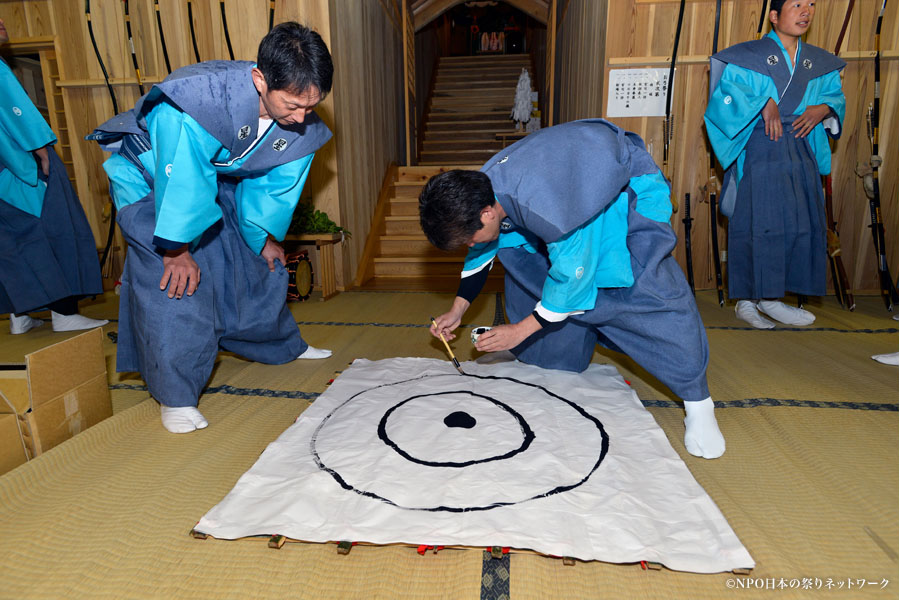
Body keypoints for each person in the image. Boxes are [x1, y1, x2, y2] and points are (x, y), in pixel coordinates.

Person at [421, 119, 726, 459]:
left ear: (488, 213)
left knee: (639, 289)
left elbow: (572, 277)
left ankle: (698, 401)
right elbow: (483, 249)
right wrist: (458, 309)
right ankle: (546, 347)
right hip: (564, 192)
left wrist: (520, 330)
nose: (469, 245)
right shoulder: (481, 190)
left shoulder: (547, 206)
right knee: (522, 259)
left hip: (619, 189)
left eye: (468, 238)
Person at [89, 22, 333, 434]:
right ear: (260, 79)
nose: (302, 117)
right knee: (176, 280)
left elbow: (273, 188)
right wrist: (177, 250)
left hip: (212, 181)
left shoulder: (299, 122)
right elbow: (180, 178)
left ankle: (279, 345)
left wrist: (262, 238)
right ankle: (175, 395)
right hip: (149, 180)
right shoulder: (196, 99)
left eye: (312, 105)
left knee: (254, 261)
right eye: (292, 104)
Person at [704, 0, 846, 329]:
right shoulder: (747, 56)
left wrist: (823, 109)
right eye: (796, 4)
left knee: (798, 221)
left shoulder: (818, 62)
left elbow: (835, 95)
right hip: (759, 147)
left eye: (810, 4)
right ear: (774, 15)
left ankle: (773, 298)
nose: (805, 10)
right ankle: (748, 300)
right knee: (758, 221)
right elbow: (726, 97)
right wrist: (762, 102)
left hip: (800, 146)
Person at [0, 17, 108, 335]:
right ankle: (63, 312)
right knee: (54, 229)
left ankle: (20, 314)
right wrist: (41, 151)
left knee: (11, 241)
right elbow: (15, 111)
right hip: (19, 166)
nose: (2, 21)